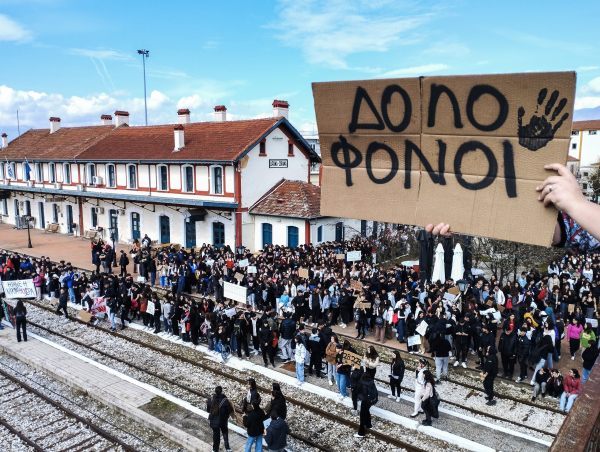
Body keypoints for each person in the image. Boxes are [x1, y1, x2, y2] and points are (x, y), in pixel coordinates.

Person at [207, 386, 233, 452]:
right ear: (221, 391)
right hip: (223, 421)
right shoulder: (225, 401)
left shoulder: (211, 399)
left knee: (216, 435)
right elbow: (230, 410)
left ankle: (215, 449)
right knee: (224, 432)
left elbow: (208, 410)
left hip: (213, 422)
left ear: (215, 391)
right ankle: (227, 448)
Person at [354, 371, 377, 438]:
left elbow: (357, 391)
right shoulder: (372, 382)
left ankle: (361, 433)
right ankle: (368, 425)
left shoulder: (361, 383)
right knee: (367, 411)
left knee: (362, 416)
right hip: (370, 401)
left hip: (364, 401)